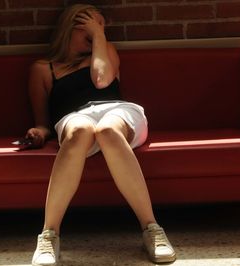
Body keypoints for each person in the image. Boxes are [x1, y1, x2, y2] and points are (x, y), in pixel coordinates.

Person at [25, 4, 176, 265]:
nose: (98, 31)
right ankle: (49, 235)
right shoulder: (42, 68)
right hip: (74, 120)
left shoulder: (106, 52)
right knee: (81, 129)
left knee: (107, 129)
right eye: (91, 25)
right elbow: (45, 122)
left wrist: (99, 38)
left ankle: (152, 229)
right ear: (71, 27)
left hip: (118, 113)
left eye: (101, 26)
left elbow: (102, 80)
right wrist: (39, 132)